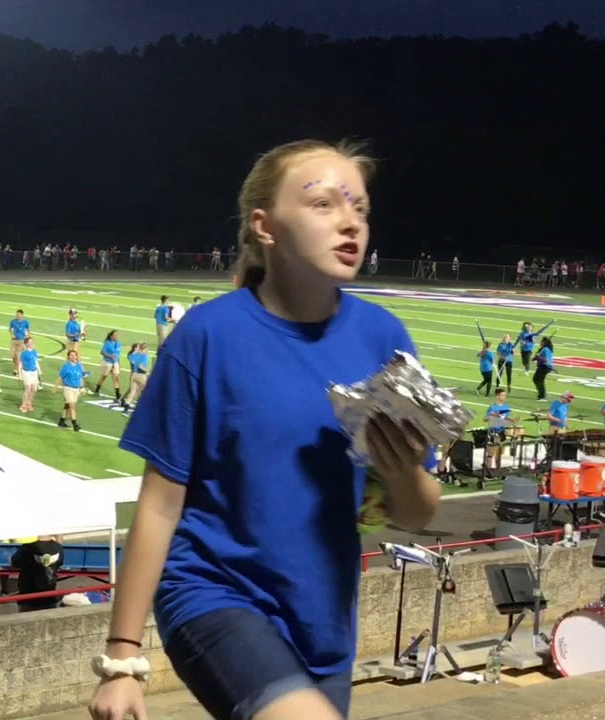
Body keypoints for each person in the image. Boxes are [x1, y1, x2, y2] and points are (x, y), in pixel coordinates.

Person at [88, 140, 439, 720]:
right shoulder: (207, 336)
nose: (350, 222)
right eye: (324, 204)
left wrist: (403, 469)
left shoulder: (383, 337)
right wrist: (123, 659)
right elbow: (158, 504)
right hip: (213, 594)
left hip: (324, 621)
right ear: (265, 226)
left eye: (361, 209)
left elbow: (417, 512)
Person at [10, 535, 65, 612]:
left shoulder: (27, 547)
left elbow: (13, 564)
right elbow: (60, 563)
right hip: (49, 596)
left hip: (28, 598)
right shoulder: (59, 548)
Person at [51, 350, 86, 432]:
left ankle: (61, 421)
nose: (73, 357)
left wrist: (82, 387)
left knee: (67, 406)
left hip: (76, 389)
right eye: (71, 355)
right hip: (68, 388)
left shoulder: (79, 366)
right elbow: (60, 377)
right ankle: (75, 424)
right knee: (72, 406)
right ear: (68, 357)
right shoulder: (66, 367)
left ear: (77, 356)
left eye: (75, 355)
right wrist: (55, 388)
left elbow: (80, 377)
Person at [483, 389, 511, 480]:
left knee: (499, 453)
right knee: (490, 453)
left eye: (505, 395)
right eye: (502, 395)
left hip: (502, 431)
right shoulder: (492, 407)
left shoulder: (506, 407)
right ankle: (488, 473)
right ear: (497, 396)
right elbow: (485, 419)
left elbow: (505, 419)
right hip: (493, 431)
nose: (504, 397)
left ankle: (498, 471)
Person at [93, 330, 123, 401]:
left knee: (116, 378)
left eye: (117, 335)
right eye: (115, 335)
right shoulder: (107, 343)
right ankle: (97, 390)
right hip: (107, 362)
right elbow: (102, 352)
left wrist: (119, 364)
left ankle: (117, 394)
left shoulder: (119, 344)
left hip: (115, 363)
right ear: (111, 336)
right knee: (103, 377)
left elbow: (118, 355)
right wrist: (109, 356)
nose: (116, 336)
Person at [121, 342, 148, 412]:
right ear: (143, 350)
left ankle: (126, 408)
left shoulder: (134, 355)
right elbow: (140, 366)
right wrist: (147, 371)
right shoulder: (144, 356)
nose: (147, 351)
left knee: (132, 392)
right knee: (145, 391)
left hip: (134, 375)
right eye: (146, 349)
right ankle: (142, 408)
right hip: (141, 375)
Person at [18, 338, 41, 413]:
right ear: (26, 344)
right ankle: (23, 404)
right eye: (30, 342)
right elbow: (20, 364)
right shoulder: (23, 353)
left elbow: (36, 362)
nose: (32, 343)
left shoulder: (34, 352)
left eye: (32, 341)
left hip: (34, 372)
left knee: (34, 389)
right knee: (27, 388)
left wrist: (39, 371)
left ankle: (29, 402)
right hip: (26, 372)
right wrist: (20, 375)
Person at [533, 336, 555, 401]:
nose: (540, 342)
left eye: (541, 341)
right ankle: (541, 394)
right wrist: (536, 358)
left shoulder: (545, 349)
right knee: (538, 380)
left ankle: (542, 395)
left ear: (544, 342)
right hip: (544, 366)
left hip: (544, 366)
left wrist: (537, 357)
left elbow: (546, 360)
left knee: (537, 380)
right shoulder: (544, 349)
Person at [9, 309, 31, 375]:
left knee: (17, 354)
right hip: (14, 340)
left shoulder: (25, 322)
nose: (17, 315)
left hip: (21, 340)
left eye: (18, 314)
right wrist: (12, 334)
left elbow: (29, 330)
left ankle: (16, 369)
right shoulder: (13, 321)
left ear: (22, 315)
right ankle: (18, 366)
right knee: (13, 355)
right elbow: (10, 329)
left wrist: (27, 336)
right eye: (16, 314)